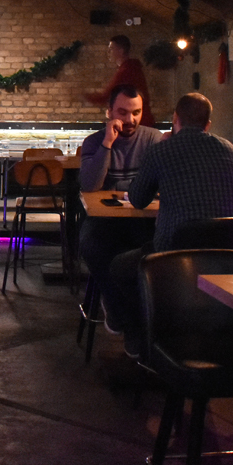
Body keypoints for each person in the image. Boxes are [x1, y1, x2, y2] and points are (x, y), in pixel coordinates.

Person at [108, 91, 233, 356]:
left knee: (119, 268)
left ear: (175, 119)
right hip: (229, 256)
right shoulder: (229, 149)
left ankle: (144, 336)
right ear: (208, 125)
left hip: (175, 255)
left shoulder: (162, 150)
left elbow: (137, 199)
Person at [77, 85, 162, 337]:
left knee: (153, 250)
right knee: (92, 245)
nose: (130, 119)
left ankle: (138, 320)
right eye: (122, 112)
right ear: (109, 112)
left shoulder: (153, 139)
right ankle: (120, 313)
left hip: (143, 220)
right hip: (104, 221)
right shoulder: (94, 142)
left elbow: (162, 184)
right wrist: (107, 143)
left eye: (136, 112)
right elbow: (90, 185)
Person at [85, 34, 155, 128]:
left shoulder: (127, 70)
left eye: (111, 49)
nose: (108, 52)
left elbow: (106, 96)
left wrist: (84, 96)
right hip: (142, 121)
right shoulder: (131, 68)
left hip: (138, 124)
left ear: (121, 51)